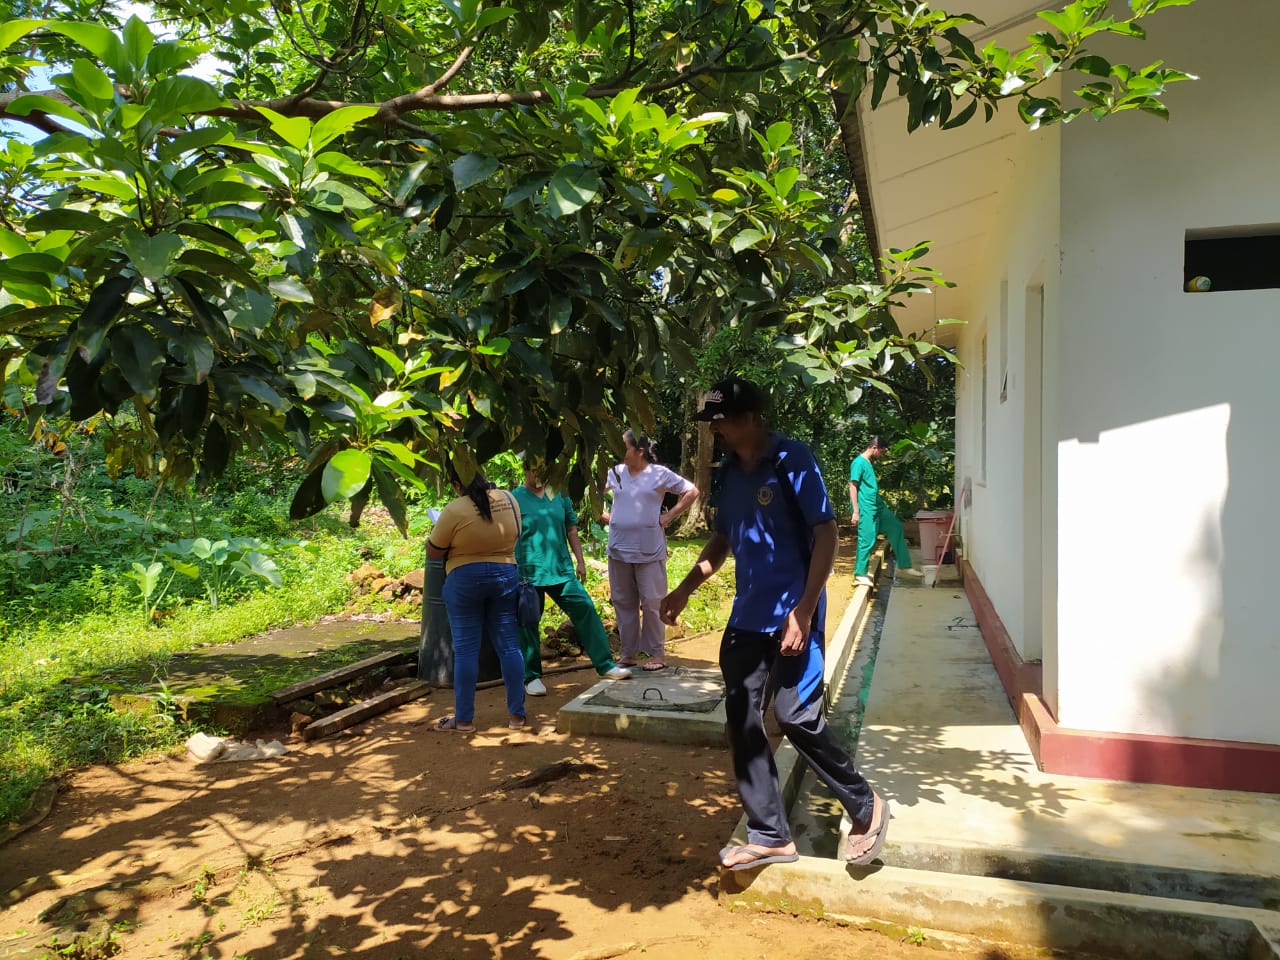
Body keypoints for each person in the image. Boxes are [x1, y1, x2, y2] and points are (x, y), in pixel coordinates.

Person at [660, 377, 889, 870]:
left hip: (793, 613)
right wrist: (684, 588)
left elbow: (825, 533)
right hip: (747, 616)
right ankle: (769, 834)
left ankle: (867, 807)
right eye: (711, 423)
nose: (715, 430)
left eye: (720, 421)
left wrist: (804, 609)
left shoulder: (793, 460)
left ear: (750, 418)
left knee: (794, 717)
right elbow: (723, 540)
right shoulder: (727, 475)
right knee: (741, 721)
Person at [511, 462, 632, 696]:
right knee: (527, 623)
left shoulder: (559, 494)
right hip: (528, 572)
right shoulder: (514, 499)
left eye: (541, 469)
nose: (537, 473)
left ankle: (605, 665)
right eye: (533, 469)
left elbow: (571, 530)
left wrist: (581, 560)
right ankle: (531, 676)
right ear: (524, 470)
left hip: (561, 570)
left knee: (585, 608)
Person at [426, 468, 527, 733]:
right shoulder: (509, 499)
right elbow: (518, 532)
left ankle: (464, 721)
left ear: (458, 484)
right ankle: (517, 717)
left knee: (466, 650)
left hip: (464, 580)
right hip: (505, 575)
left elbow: (434, 552)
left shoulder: (455, 509)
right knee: (509, 646)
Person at [603, 429, 698, 672]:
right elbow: (593, 493)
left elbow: (692, 491)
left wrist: (669, 515)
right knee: (623, 602)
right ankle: (628, 654)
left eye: (625, 446)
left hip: (648, 550)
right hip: (618, 548)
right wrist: (606, 516)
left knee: (653, 602)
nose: (621, 452)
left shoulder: (659, 474)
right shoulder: (615, 473)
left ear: (640, 451)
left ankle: (657, 654)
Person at [848, 437, 922, 587]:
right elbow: (852, 486)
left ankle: (904, 565)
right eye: (882, 451)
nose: (882, 454)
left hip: (878, 506)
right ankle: (860, 574)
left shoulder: (869, 463)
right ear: (874, 447)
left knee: (896, 527)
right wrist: (856, 511)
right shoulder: (858, 462)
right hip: (866, 508)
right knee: (867, 539)